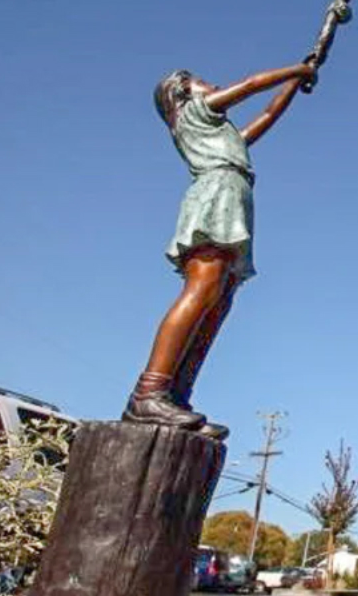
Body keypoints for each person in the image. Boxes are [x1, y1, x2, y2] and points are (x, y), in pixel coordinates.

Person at [123, 59, 317, 437]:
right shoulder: (193, 114)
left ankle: (177, 397)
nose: (209, 83)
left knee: (218, 301)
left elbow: (267, 113)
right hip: (215, 195)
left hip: (234, 198)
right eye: (199, 81)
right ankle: (149, 392)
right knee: (202, 289)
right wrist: (296, 68)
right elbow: (251, 82)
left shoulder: (222, 134)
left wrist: (296, 82)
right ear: (181, 95)